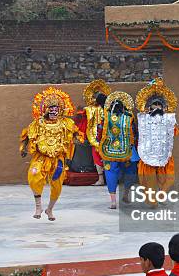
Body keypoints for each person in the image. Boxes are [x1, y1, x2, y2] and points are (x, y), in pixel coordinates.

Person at [20, 87, 82, 221]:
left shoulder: (66, 123)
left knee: (57, 184)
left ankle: (49, 209)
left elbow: (76, 134)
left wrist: (75, 141)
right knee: (34, 175)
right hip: (41, 157)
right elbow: (26, 136)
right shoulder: (37, 123)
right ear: (45, 110)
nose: (54, 112)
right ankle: (38, 207)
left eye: (56, 110)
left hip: (57, 159)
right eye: (51, 110)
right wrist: (23, 149)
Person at [136, 79, 179, 206]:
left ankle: (161, 195)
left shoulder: (168, 120)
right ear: (148, 108)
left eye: (158, 106)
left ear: (163, 107)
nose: (156, 109)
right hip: (147, 154)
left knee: (168, 178)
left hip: (163, 155)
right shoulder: (144, 120)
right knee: (148, 180)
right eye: (153, 107)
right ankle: (152, 201)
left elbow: (175, 132)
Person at [99, 91, 139, 209]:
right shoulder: (129, 117)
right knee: (130, 173)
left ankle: (113, 202)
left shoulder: (105, 117)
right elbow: (135, 134)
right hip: (128, 152)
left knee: (110, 173)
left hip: (109, 151)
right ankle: (126, 195)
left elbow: (100, 132)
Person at [81, 79, 112, 186]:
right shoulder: (91, 109)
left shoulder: (109, 110)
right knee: (101, 157)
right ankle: (105, 179)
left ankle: (106, 179)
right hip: (99, 137)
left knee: (104, 157)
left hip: (105, 137)